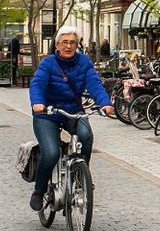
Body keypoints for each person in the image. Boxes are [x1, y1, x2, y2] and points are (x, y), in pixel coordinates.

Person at [28, 28, 114, 211]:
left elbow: (94, 84)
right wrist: (37, 102)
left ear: (78, 44)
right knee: (51, 152)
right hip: (47, 113)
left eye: (72, 42)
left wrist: (105, 103)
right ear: (57, 45)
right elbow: (37, 84)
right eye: (64, 42)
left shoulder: (84, 62)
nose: (68, 46)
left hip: (73, 111)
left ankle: (81, 177)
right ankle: (39, 190)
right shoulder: (48, 63)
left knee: (85, 135)